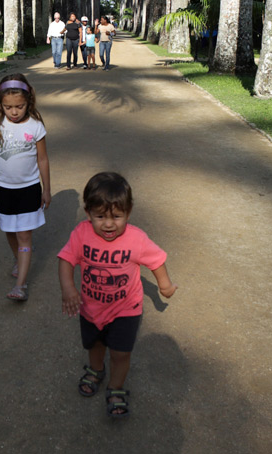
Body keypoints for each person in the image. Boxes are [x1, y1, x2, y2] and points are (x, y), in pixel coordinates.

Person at [58, 172, 177, 419]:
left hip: (125, 310)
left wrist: (164, 286)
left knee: (121, 353)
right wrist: (68, 287)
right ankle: (96, 369)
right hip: (91, 308)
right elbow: (66, 259)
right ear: (88, 212)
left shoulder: (136, 239)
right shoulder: (81, 234)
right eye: (100, 217)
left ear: (129, 212)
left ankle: (116, 387)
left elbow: (156, 260)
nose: (109, 224)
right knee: (95, 344)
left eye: (117, 217)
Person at [0, 73, 51, 301]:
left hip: (29, 189)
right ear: (0, 104)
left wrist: (46, 188)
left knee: (24, 235)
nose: (13, 112)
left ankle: (20, 285)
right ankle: (19, 259)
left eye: (19, 106)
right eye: (8, 107)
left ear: (29, 102)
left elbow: (43, 159)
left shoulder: (36, 127)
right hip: (3, 190)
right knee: (10, 231)